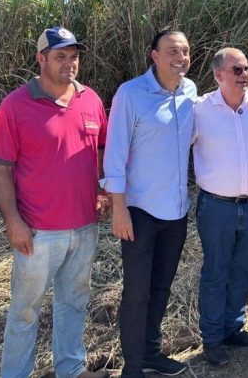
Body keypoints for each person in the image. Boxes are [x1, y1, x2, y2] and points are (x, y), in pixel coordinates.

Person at [0, 27, 110, 378]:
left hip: (84, 224)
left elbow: (102, 148)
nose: (69, 63)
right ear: (41, 59)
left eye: (74, 56)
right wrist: (13, 222)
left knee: (74, 301)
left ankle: (71, 369)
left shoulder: (90, 99)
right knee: (25, 310)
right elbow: (0, 169)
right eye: (60, 57)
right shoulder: (15, 106)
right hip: (38, 230)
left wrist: (102, 192)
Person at [102, 30, 196, 377]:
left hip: (177, 210)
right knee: (137, 292)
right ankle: (132, 366)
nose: (180, 57)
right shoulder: (131, 93)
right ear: (154, 56)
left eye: (184, 51)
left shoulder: (190, 91)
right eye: (172, 51)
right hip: (140, 212)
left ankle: (151, 353)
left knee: (161, 287)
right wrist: (119, 208)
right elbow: (114, 155)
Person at [192, 47, 248, 366]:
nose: (245, 74)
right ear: (219, 75)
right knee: (216, 273)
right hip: (217, 208)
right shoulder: (199, 109)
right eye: (237, 69)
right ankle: (213, 339)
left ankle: (233, 329)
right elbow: (174, 146)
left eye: (247, 68)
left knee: (242, 271)